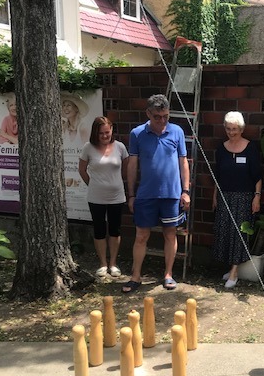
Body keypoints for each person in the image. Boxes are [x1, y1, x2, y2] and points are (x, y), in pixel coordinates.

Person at [123, 94, 190, 293]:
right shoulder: (137, 134)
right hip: (145, 195)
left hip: (172, 194)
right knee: (141, 235)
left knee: (170, 234)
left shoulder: (177, 131)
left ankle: (168, 274)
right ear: (148, 114)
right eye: (157, 117)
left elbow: (183, 162)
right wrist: (131, 194)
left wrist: (185, 191)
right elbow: (132, 164)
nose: (162, 121)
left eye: (166, 117)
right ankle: (136, 276)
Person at [212, 111, 262, 289]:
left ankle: (234, 272)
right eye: (228, 129)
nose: (231, 132)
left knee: (238, 234)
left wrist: (257, 197)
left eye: (234, 129)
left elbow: (257, 176)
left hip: (244, 197)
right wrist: (215, 196)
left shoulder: (250, 148)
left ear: (241, 129)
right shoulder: (221, 148)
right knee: (225, 232)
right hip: (225, 196)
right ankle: (231, 268)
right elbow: (217, 175)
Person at [78, 116, 129, 278]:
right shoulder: (88, 148)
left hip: (116, 196)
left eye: (107, 132)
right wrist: (93, 184)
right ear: (95, 133)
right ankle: (102, 264)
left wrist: (115, 182)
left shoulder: (120, 147)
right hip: (96, 197)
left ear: (112, 130)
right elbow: (82, 170)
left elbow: (125, 168)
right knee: (99, 229)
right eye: (101, 133)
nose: (105, 136)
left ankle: (113, 264)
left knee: (115, 229)